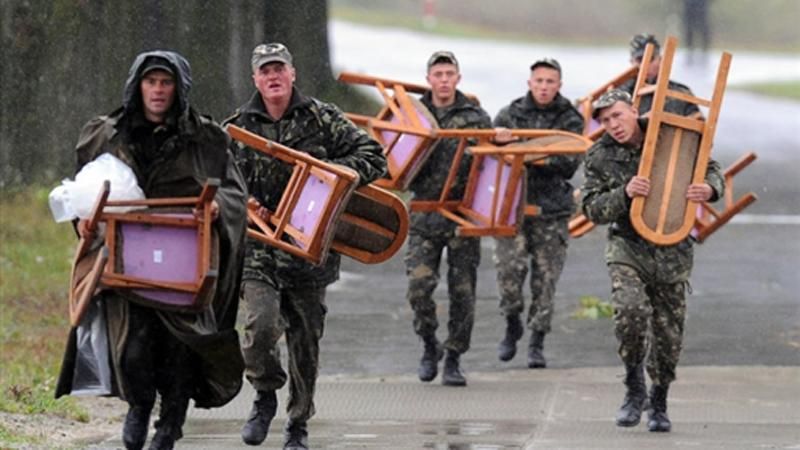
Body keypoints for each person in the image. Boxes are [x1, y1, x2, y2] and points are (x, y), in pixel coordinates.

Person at [55, 51, 249, 450]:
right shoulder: (106, 135)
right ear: (137, 86)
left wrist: (216, 209)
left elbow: (234, 194)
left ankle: (172, 420)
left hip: (186, 265)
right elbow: (82, 189)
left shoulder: (207, 139)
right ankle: (139, 406)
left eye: (166, 82)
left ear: (179, 88)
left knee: (180, 347)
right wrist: (82, 221)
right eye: (151, 82)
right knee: (134, 344)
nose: (158, 91)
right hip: (128, 258)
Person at [225, 43, 386, 449]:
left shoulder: (321, 118)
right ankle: (264, 394)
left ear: (293, 74)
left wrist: (335, 176)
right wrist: (240, 204)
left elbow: (374, 155)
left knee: (305, 342)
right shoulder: (238, 128)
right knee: (260, 328)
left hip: (311, 249)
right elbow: (216, 182)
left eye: (279, 68)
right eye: (265, 71)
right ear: (255, 79)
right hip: (260, 248)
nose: (273, 76)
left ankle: (298, 424)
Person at [581, 89, 724, 432]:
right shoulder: (600, 156)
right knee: (630, 311)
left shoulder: (671, 135)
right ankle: (633, 387)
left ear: (634, 109)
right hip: (628, 246)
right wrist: (624, 193)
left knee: (668, 334)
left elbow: (710, 167)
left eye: (617, 115)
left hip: (672, 246)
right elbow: (591, 208)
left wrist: (709, 188)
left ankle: (659, 402)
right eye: (604, 121)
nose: (613, 125)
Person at [405, 50, 492, 387]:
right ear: (429, 78)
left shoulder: (475, 116)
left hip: (462, 215)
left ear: (458, 78)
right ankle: (429, 344)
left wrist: (498, 141)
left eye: (449, 74)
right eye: (438, 74)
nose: (443, 80)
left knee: (463, 291)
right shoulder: (413, 114)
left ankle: (454, 356)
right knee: (418, 288)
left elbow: (492, 165)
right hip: (425, 214)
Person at [492, 58, 584, 368]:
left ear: (559, 85)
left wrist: (527, 154)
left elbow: (569, 161)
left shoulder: (569, 117)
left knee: (545, 279)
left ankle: (537, 341)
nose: (544, 87)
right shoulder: (511, 113)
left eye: (550, 82)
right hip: (512, 206)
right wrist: (509, 144)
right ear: (530, 82)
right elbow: (494, 153)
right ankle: (512, 322)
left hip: (552, 208)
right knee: (508, 270)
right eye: (539, 81)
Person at [621, 34, 701, 117]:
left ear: (660, 60)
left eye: (650, 59)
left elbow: (698, 122)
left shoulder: (681, 92)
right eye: (640, 60)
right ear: (631, 62)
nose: (644, 65)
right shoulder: (622, 94)